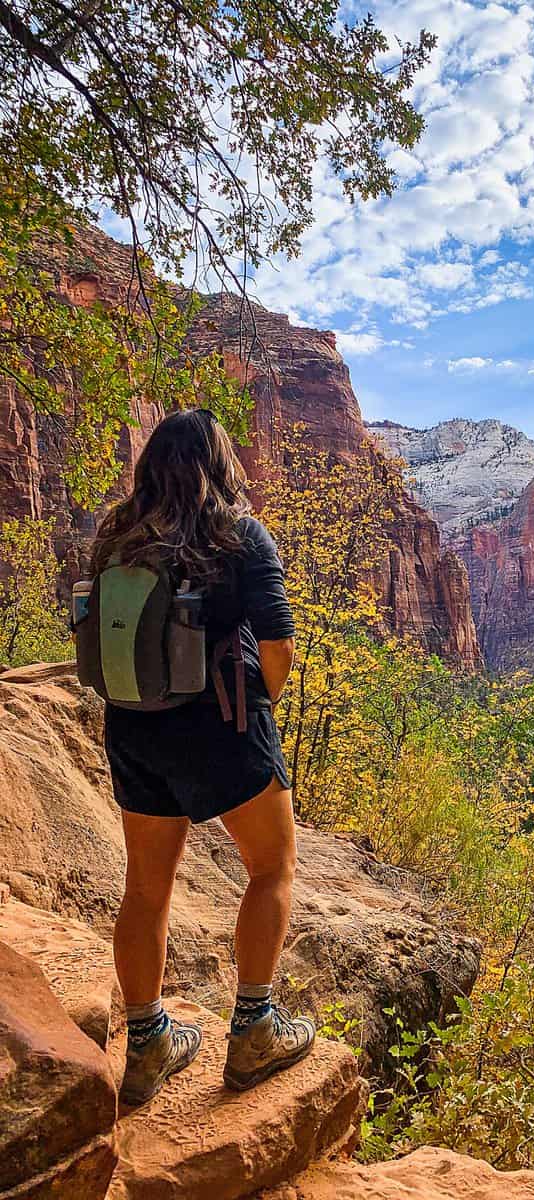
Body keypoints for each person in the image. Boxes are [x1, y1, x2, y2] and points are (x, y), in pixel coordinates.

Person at [90, 409, 315, 1106]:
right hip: (220, 727)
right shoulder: (239, 534)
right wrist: (254, 712)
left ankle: (148, 1038)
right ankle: (253, 1029)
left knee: (147, 888)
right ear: (221, 465)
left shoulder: (116, 537)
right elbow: (277, 646)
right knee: (272, 867)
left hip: (132, 728)